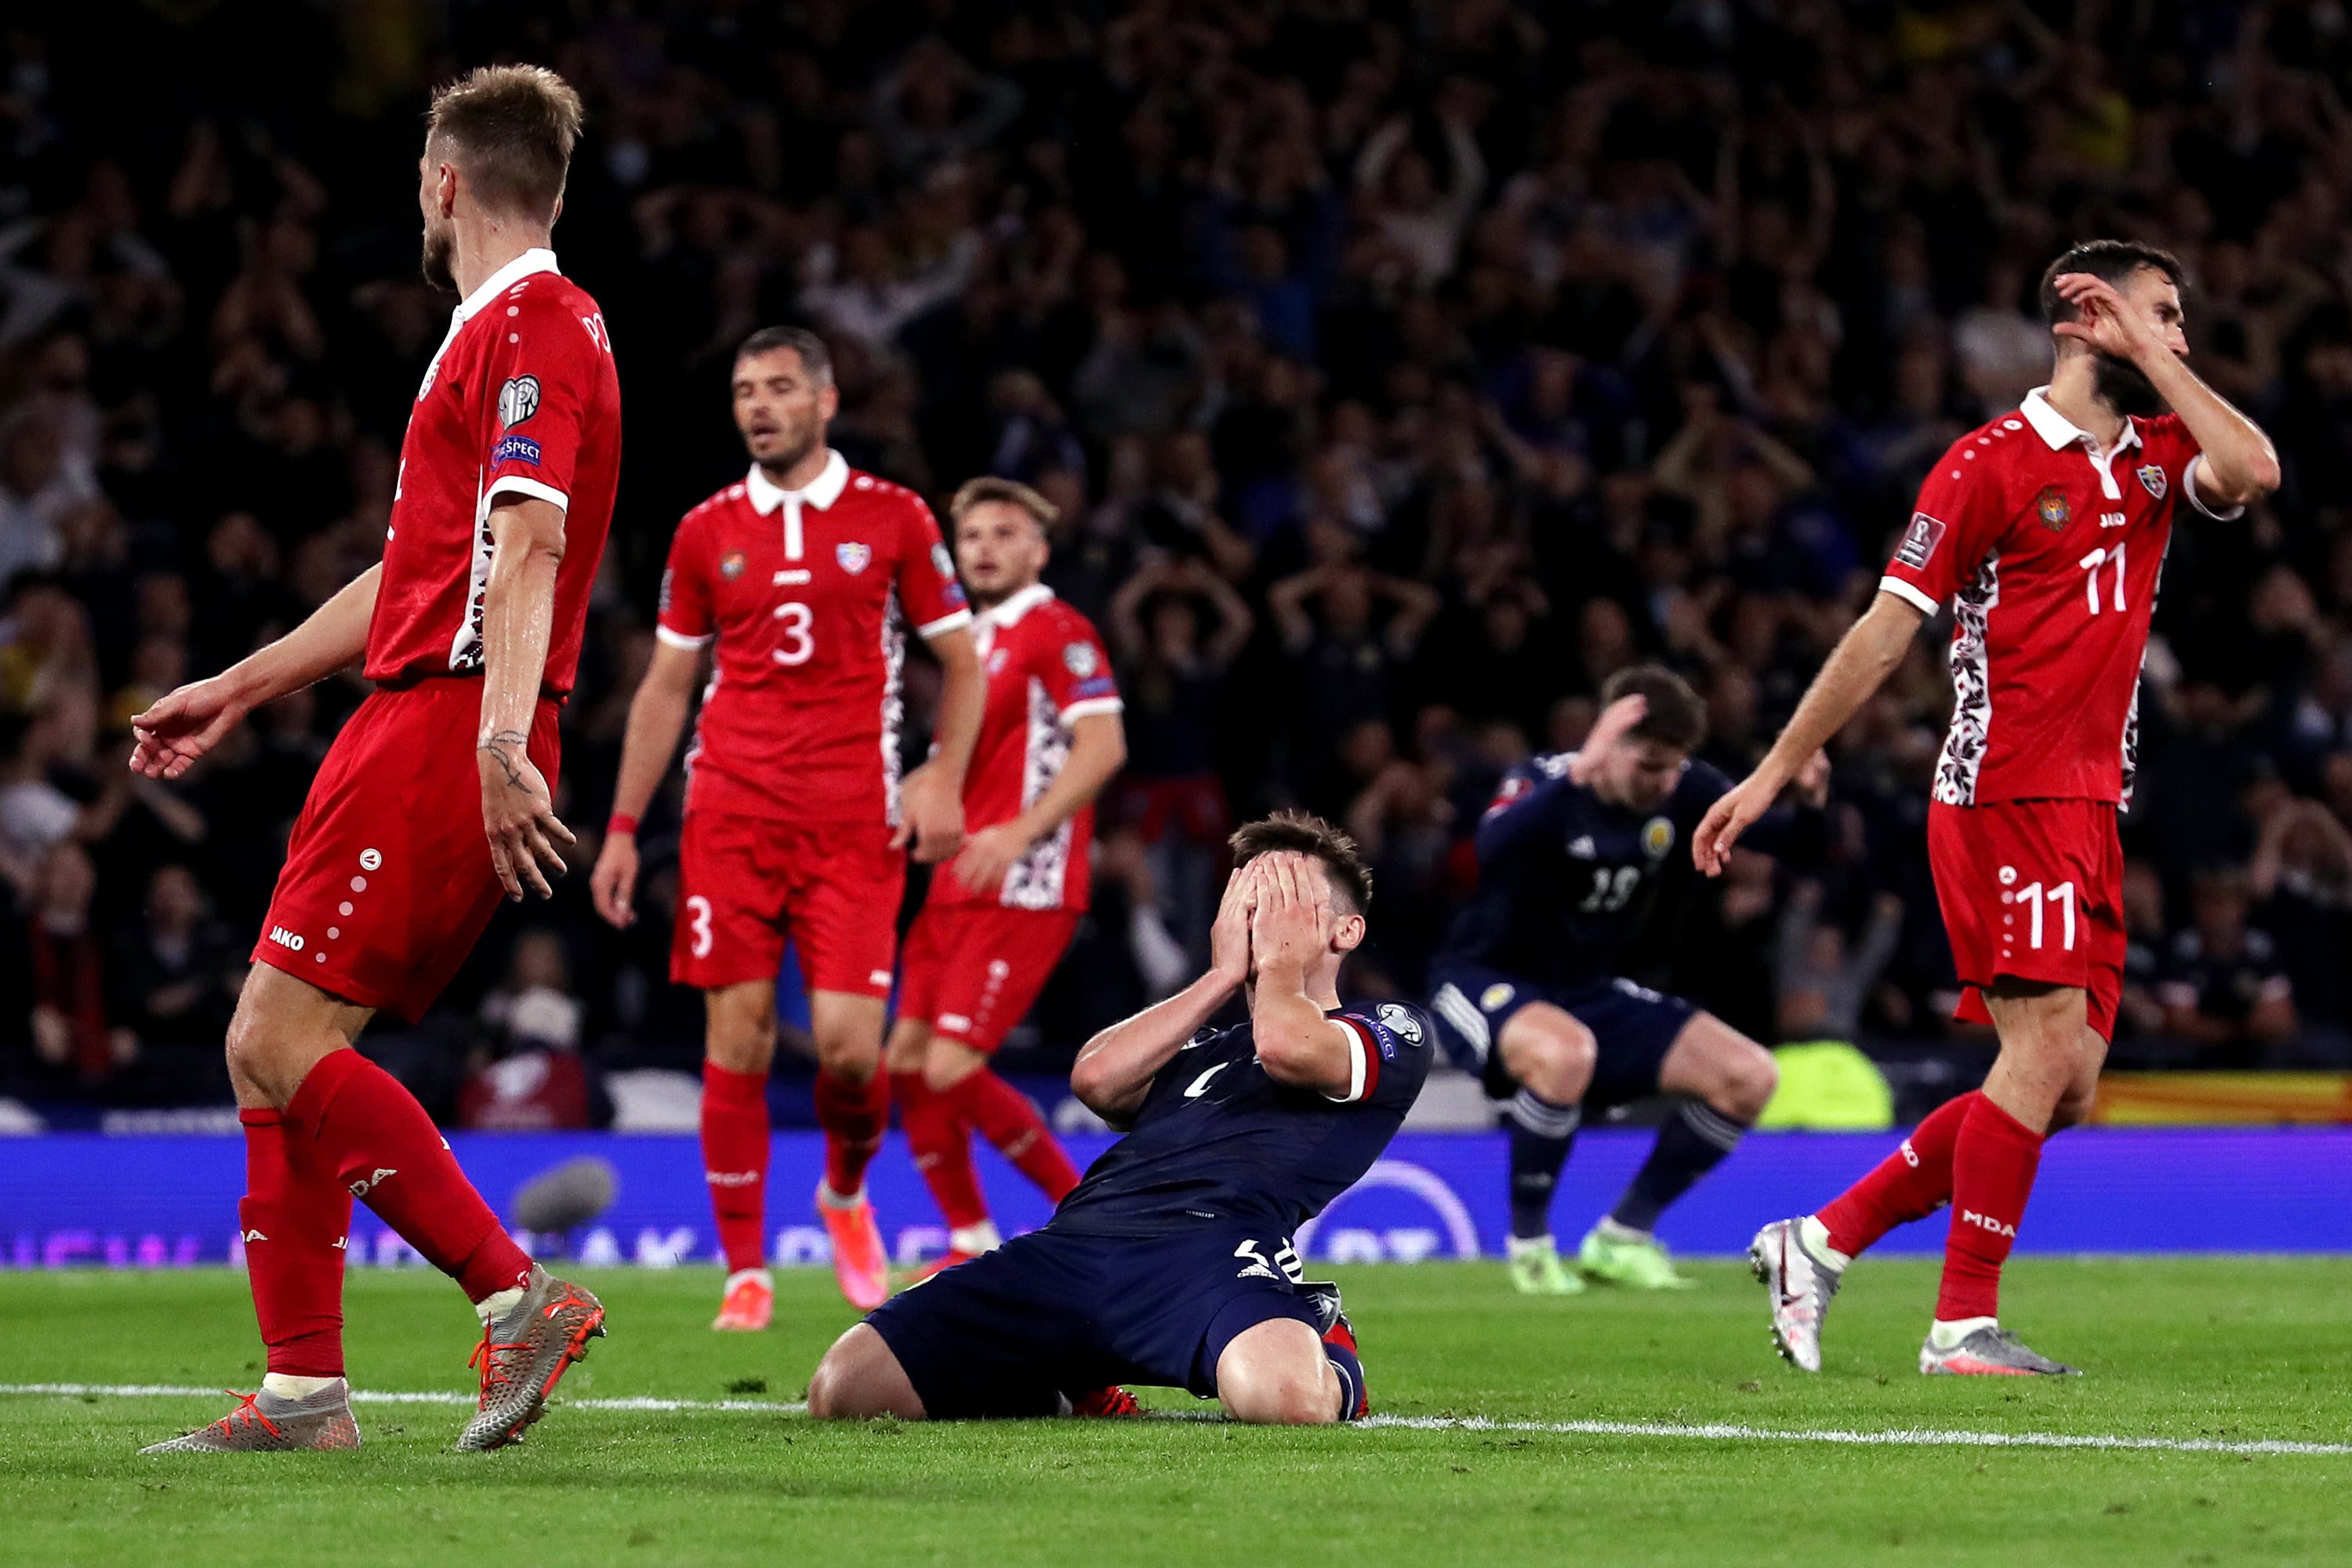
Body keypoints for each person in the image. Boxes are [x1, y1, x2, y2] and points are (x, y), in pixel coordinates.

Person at [126, 66, 622, 1452]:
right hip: (427, 711)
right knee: (269, 1054)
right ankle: (302, 1395)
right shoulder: (500, 333)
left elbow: (525, 546)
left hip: (448, 723)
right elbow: (416, 573)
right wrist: (238, 685)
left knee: (277, 1038)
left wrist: (499, 735)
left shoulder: (533, 327)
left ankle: (512, 1296)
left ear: (444, 183)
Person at [1706, 240, 2279, 1377]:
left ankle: (1817, 1241)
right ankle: (1962, 1324)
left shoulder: (2163, 454)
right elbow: (1886, 627)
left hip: (2092, 800)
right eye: (2160, 316)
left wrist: (2153, 359)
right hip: (2004, 787)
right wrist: (1774, 768)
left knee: (2060, 1089)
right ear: (2084, 316)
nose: (2178, 339)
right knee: (2043, 1043)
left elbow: (2255, 470)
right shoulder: (1987, 465)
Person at [589, 325, 982, 1329]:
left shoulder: (892, 517)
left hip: (854, 818)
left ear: (823, 399)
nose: (757, 406)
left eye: (776, 388)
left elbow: (965, 661)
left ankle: (844, 1195)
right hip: (732, 811)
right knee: (741, 1034)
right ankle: (745, 1270)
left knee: (853, 1052)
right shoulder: (704, 529)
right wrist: (627, 826)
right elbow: (668, 682)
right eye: (742, 391)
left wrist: (941, 773)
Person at [804, 812, 1430, 1424]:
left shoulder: (1385, 1029)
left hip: (1213, 1249)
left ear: (1346, 932)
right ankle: (1061, 1385)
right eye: (1248, 895)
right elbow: (1095, 1079)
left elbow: (1287, 1048)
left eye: (1287, 897)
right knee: (845, 1390)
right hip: (1078, 1240)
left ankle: (1329, 1349)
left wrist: (1281, 966)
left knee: (1286, 1402)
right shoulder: (1202, 1045)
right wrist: (1218, 977)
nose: (1261, 913)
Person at [1426, 664, 1824, 1295]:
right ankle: (1530, 1249)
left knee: (1749, 1075)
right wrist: (1582, 772)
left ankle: (1622, 1237)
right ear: (1608, 747)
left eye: (1673, 767)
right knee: (1565, 1054)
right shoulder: (1543, 780)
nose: (1662, 783)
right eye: (1647, 766)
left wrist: (1804, 797)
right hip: (1484, 980)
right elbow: (1493, 850)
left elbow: (1787, 841)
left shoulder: (1681, 785)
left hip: (1585, 990)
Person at [886, 477, 1127, 1274]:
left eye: (1005, 533)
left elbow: (1103, 746)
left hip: (1026, 880)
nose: (985, 547)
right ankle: (965, 1236)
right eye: (974, 535)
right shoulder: (973, 644)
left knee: (951, 1066)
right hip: (957, 879)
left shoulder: (1059, 630)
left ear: (1039, 549)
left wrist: (1020, 830)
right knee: (906, 1066)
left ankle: (1088, 1219)